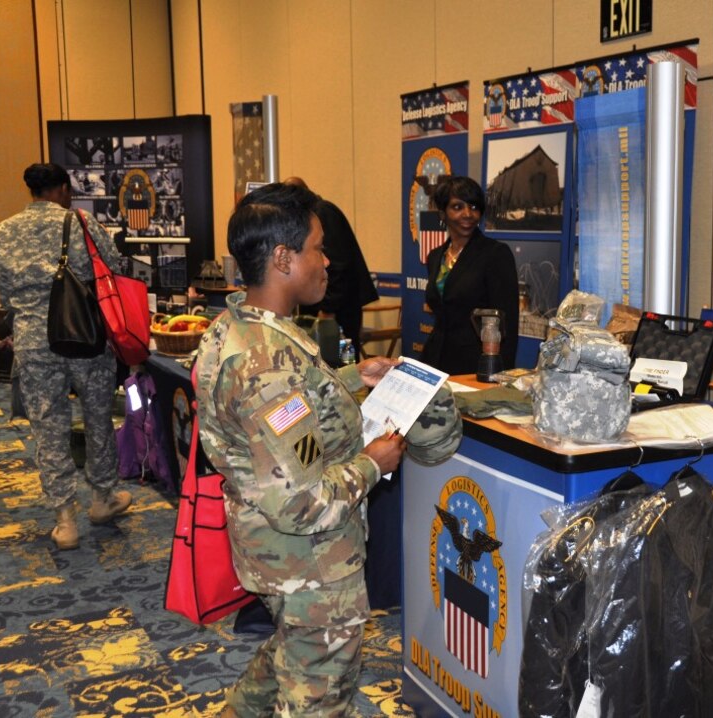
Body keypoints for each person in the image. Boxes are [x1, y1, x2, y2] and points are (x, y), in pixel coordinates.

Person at [195, 182, 461, 716]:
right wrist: (373, 463)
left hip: (274, 555)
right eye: (318, 247)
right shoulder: (268, 365)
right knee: (318, 690)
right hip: (311, 564)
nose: (327, 260)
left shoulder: (238, 328)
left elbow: (279, 414)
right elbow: (302, 501)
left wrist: (348, 377)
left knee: (287, 656)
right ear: (283, 258)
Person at [0, 163, 132, 551]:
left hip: (35, 343)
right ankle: (103, 499)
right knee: (99, 416)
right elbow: (115, 268)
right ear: (63, 190)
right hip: (84, 336)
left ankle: (65, 520)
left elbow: (1, 288)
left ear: (30, 191)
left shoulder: (3, 231)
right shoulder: (81, 223)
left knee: (48, 428)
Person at [420, 175, 519, 375]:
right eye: (457, 207)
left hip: (476, 365)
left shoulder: (495, 254)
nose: (468, 214)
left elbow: (506, 322)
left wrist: (501, 374)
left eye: (474, 207)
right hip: (435, 360)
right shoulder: (435, 256)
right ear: (442, 213)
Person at [283, 177, 380, 357]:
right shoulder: (314, 214)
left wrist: (328, 309)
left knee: (341, 361)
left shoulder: (322, 213)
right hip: (329, 305)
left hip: (337, 308)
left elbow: (337, 265)